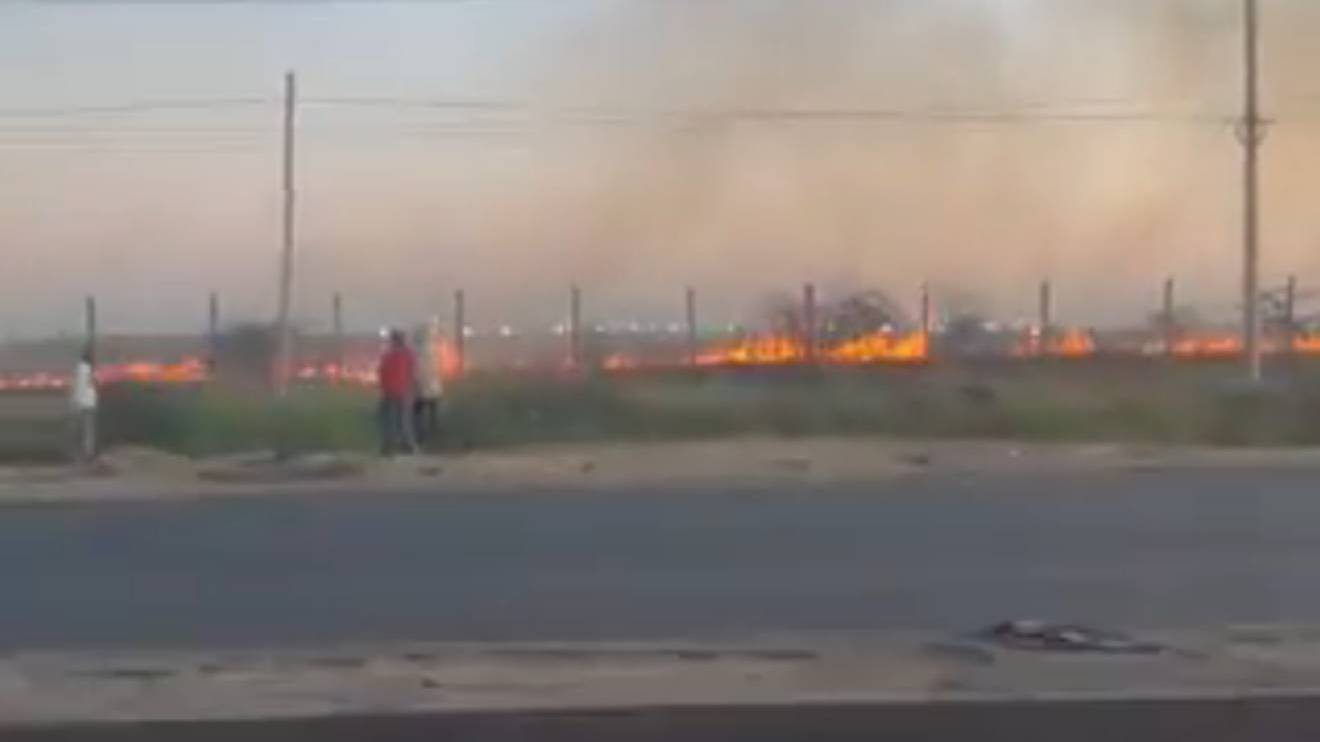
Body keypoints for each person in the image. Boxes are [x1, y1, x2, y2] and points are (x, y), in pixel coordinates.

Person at [376, 329, 417, 456]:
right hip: (404, 391)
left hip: (390, 391)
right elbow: (412, 372)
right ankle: (408, 446)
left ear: (393, 341)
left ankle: (389, 447)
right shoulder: (409, 354)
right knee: (405, 420)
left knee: (389, 421)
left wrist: (383, 387)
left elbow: (382, 372)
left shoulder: (387, 356)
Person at [412, 324, 444, 447]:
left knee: (418, 414)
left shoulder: (417, 353)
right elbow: (436, 369)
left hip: (421, 388)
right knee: (432, 413)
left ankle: (421, 436)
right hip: (434, 388)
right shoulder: (434, 351)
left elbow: (417, 371)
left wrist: (415, 383)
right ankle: (435, 436)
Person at [69, 351, 98, 463]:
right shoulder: (90, 370)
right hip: (90, 403)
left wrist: (75, 402)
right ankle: (88, 452)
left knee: (79, 430)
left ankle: (83, 454)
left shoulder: (81, 370)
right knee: (88, 430)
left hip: (82, 403)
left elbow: (80, 387)